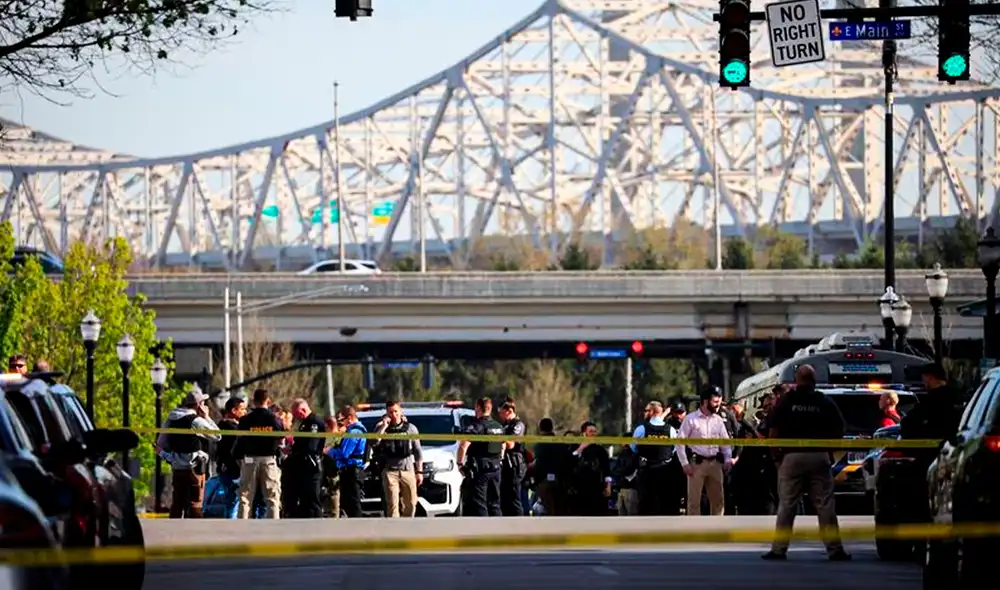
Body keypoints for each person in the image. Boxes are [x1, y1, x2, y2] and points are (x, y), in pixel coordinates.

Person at [762, 364, 851, 561]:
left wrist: (776, 457)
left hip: (791, 457)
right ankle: (835, 549)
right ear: (814, 380)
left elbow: (773, 432)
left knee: (786, 504)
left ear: (796, 380)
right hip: (819, 457)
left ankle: (779, 549)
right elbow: (840, 430)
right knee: (825, 504)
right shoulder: (824, 402)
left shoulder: (786, 402)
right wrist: (829, 452)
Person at [157, 388, 221, 518]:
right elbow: (217, 436)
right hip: (194, 469)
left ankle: (172, 534)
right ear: (198, 405)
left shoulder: (171, 419)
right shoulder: (196, 420)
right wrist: (207, 417)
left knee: (177, 504)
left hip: (177, 468)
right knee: (195, 504)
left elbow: (161, 442)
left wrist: (169, 455)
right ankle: (195, 534)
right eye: (203, 403)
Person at [674, 386, 732, 516]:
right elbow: (679, 443)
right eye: (715, 402)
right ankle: (695, 532)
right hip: (696, 465)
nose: (718, 406)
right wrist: (685, 464)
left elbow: (725, 442)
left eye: (719, 402)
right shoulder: (690, 419)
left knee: (718, 501)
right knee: (694, 502)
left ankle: (716, 531)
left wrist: (728, 459)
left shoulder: (718, 420)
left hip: (715, 464)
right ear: (705, 401)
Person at [234, 388, 284, 519]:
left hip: (250, 459)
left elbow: (240, 440)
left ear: (253, 401)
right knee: (272, 498)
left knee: (245, 498)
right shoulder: (273, 419)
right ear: (268, 400)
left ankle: (242, 530)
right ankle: (274, 532)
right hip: (268, 460)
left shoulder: (245, 420)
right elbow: (281, 437)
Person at [374, 400, 423, 518]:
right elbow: (374, 442)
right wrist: (384, 426)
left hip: (407, 469)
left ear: (401, 412)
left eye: (396, 411)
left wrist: (419, 471)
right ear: (386, 414)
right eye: (390, 412)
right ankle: (394, 531)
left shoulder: (410, 428)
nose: (393, 415)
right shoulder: (382, 428)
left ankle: (407, 527)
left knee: (411, 504)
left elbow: (417, 451)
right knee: (392, 506)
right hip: (390, 471)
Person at [457, 397, 505, 516]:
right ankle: (498, 530)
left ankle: (484, 530)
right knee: (494, 502)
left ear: (478, 408)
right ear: (490, 408)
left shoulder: (477, 426)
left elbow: (463, 445)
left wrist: (460, 464)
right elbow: (503, 446)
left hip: (480, 469)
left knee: (479, 503)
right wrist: (500, 460)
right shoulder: (498, 427)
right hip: (496, 468)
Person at [632, 401, 678, 515]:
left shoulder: (641, 429)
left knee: (646, 504)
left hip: (647, 471)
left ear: (652, 412)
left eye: (646, 411)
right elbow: (674, 449)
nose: (644, 413)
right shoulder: (670, 429)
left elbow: (633, 447)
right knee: (665, 503)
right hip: (665, 470)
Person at [285, 399, 327, 518]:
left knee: (312, 500)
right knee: (304, 501)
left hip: (312, 466)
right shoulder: (305, 423)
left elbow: (311, 446)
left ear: (302, 410)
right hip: (303, 467)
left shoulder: (314, 422)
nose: (296, 417)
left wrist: (296, 450)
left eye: (296, 414)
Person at [328, 405, 366, 518]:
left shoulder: (354, 432)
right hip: (349, 471)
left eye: (342, 420)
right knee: (348, 504)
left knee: (353, 504)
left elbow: (345, 453)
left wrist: (330, 451)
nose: (341, 424)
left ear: (349, 418)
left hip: (352, 471)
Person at [570, 421, 612, 515]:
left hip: (597, 489)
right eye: (591, 431)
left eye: (595, 431)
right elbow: (569, 462)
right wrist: (580, 449)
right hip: (579, 490)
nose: (593, 434)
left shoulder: (600, 450)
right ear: (584, 433)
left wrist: (608, 486)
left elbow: (606, 470)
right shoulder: (575, 447)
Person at [215, 397, 246, 518]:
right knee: (232, 504)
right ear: (234, 410)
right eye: (242, 409)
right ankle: (230, 531)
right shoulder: (230, 428)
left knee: (232, 503)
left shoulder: (222, 426)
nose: (245, 412)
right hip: (232, 471)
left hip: (227, 469)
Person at [498, 401, 527, 516]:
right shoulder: (506, 425)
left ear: (510, 411)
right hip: (505, 465)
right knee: (505, 498)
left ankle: (519, 525)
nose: (500, 415)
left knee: (514, 498)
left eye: (502, 413)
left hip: (515, 464)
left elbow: (511, 444)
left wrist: (500, 439)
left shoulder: (518, 425)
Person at [530, 417, 565, 515]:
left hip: (544, 481)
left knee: (546, 509)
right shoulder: (560, 443)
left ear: (540, 428)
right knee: (559, 509)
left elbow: (539, 464)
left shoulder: (540, 445)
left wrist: (534, 481)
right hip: (560, 481)